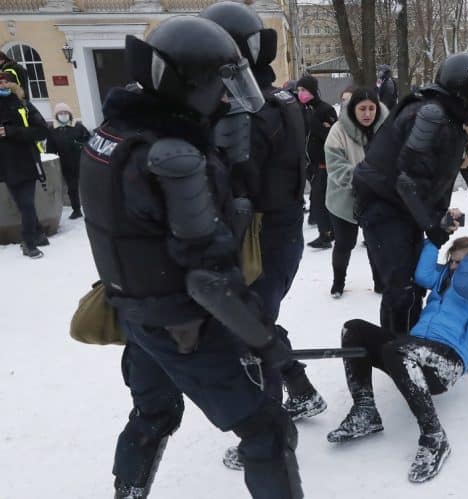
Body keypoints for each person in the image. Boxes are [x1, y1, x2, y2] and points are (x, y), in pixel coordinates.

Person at [78, 16, 302, 498]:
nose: (225, 97)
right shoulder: (172, 157)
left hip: (138, 314)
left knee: (155, 411)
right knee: (266, 429)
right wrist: (265, 342)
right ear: (188, 83)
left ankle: (128, 493)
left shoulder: (113, 134)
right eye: (219, 86)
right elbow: (208, 279)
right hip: (182, 326)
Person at [200, 2, 325, 429]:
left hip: (256, 234)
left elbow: (235, 189)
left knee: (247, 331)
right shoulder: (280, 99)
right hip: (282, 230)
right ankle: (301, 388)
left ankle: (269, 423)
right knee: (256, 321)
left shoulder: (243, 110)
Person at [327, 236, 468, 483]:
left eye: (460, 262)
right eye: (452, 261)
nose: (454, 267)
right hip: (414, 350)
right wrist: (435, 238)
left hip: (448, 360)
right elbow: (423, 273)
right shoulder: (445, 277)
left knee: (397, 349)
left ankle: (434, 437)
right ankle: (365, 411)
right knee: (354, 329)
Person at [353, 52, 468, 337]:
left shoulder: (447, 115)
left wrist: (437, 214)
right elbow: (407, 181)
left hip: (402, 206)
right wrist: (431, 224)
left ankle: (413, 343)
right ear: (461, 86)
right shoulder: (431, 116)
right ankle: (399, 350)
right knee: (402, 286)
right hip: (383, 206)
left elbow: (426, 178)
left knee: (414, 282)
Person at [324, 87, 387, 298]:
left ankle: (380, 282)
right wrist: (367, 179)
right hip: (343, 200)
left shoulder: (386, 129)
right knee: (344, 243)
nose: (368, 114)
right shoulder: (338, 131)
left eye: (371, 108)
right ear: (353, 109)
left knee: (375, 243)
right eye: (362, 109)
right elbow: (336, 167)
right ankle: (338, 282)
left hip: (376, 199)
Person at [0, 71, 47, 258]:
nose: (2, 85)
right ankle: (38, 233)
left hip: (26, 161)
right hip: (5, 165)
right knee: (23, 204)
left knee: (26, 203)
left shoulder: (24, 105)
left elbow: (41, 131)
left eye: (4, 81)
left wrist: (11, 132)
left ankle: (29, 242)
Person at [298, 74, 338, 249]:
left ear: (313, 90)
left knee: (321, 200)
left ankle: (327, 235)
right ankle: (328, 232)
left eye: (304, 90)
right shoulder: (302, 109)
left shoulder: (325, 110)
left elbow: (333, 136)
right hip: (311, 164)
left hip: (325, 164)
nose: (301, 93)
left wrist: (318, 127)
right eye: (298, 90)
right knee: (318, 200)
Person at [46, 102, 91, 220]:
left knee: (88, 186)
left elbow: (90, 141)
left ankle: (93, 207)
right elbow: (50, 150)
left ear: (70, 114)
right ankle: (76, 209)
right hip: (66, 164)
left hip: (82, 161)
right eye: (60, 113)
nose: (63, 115)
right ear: (56, 115)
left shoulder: (78, 126)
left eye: (65, 113)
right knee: (72, 188)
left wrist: (81, 145)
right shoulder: (52, 130)